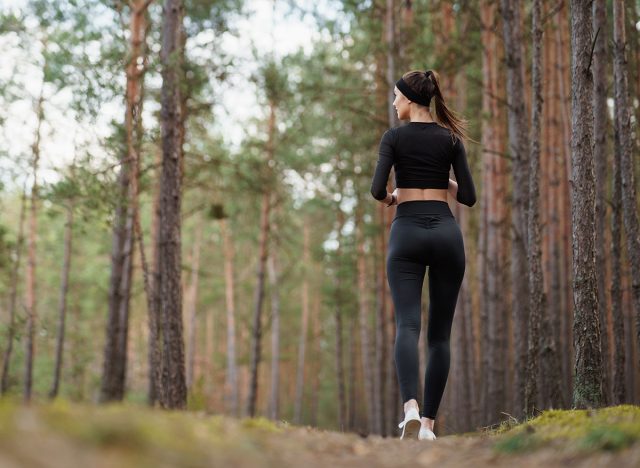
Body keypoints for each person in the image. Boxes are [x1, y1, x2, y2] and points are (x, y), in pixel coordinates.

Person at [370, 70, 477, 441]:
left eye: (396, 96)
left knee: (408, 325)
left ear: (410, 99)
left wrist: (392, 197)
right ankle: (429, 426)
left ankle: (410, 409)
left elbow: (376, 189)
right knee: (439, 337)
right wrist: (441, 180)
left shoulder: (394, 138)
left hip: (407, 234)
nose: (394, 102)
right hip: (447, 234)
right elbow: (468, 197)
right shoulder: (450, 139)